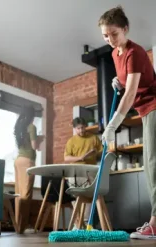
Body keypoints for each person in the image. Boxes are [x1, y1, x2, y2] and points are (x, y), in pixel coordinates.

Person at [99, 6, 156, 239]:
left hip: (154, 106)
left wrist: (112, 124)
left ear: (125, 29)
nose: (110, 39)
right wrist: (118, 81)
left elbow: (132, 93)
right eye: (105, 35)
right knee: (151, 163)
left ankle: (155, 223)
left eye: (114, 34)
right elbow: (128, 81)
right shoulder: (116, 54)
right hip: (144, 111)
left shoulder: (135, 51)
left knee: (152, 164)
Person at [64, 117, 103, 227]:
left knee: (89, 198)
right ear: (74, 129)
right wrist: (80, 157)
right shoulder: (71, 141)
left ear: (85, 126)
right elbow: (66, 158)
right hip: (75, 172)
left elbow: (102, 151)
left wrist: (94, 152)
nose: (81, 130)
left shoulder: (93, 138)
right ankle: (78, 224)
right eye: (78, 128)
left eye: (82, 128)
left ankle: (87, 224)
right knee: (75, 197)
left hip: (90, 171)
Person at [13, 105, 44, 234]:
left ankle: (17, 224)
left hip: (18, 160)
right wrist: (40, 139)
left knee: (18, 193)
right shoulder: (32, 127)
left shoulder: (19, 127)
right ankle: (22, 227)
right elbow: (34, 146)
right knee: (26, 194)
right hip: (28, 161)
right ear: (32, 116)